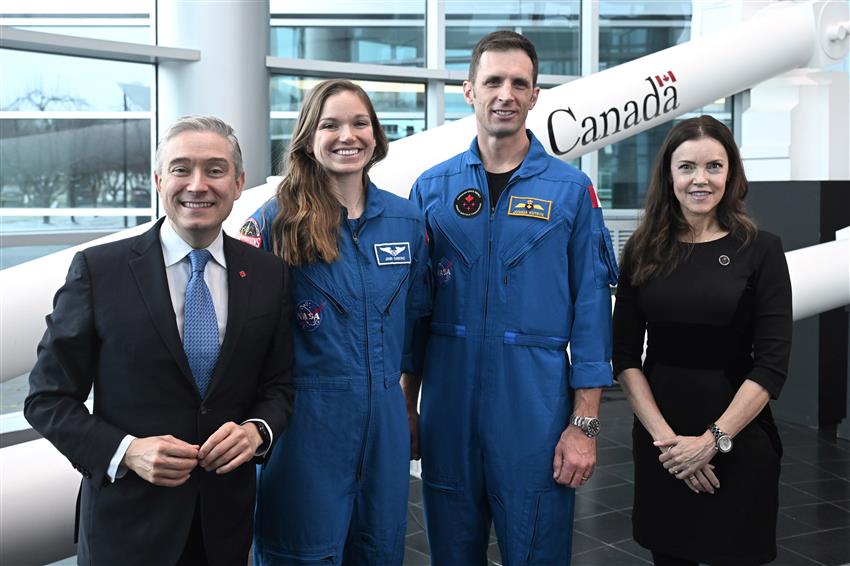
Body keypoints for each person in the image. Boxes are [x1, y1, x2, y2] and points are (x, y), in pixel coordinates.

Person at [24, 116, 295, 566]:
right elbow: (47, 399)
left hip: (223, 528)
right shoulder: (98, 271)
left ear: (239, 182)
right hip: (126, 527)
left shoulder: (269, 275)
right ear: (158, 179)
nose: (197, 184)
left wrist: (256, 432)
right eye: (181, 168)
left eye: (215, 169)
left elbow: (280, 386)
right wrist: (126, 451)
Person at [402, 31, 619, 564]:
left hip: (535, 407)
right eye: (493, 80)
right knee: (451, 553)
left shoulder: (570, 191)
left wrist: (583, 425)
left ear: (535, 95)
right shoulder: (432, 189)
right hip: (448, 407)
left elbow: (592, 312)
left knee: (538, 551)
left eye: (518, 83)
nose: (505, 93)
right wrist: (406, 408)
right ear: (468, 90)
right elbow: (413, 313)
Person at [240, 79, 430, 565]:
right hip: (307, 426)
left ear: (376, 135)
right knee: (298, 553)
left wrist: (407, 405)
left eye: (359, 123)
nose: (348, 135)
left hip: (385, 423)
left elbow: (415, 323)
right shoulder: (276, 222)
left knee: (379, 551)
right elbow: (242, 333)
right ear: (308, 137)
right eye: (331, 124)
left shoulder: (408, 221)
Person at [612, 115, 792, 565]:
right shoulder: (641, 251)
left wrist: (710, 443)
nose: (700, 179)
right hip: (661, 443)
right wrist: (671, 447)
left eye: (714, 166)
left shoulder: (763, 250)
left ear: (730, 173)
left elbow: (770, 365)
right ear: (669, 174)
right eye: (687, 166)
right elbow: (625, 356)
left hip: (738, 439)